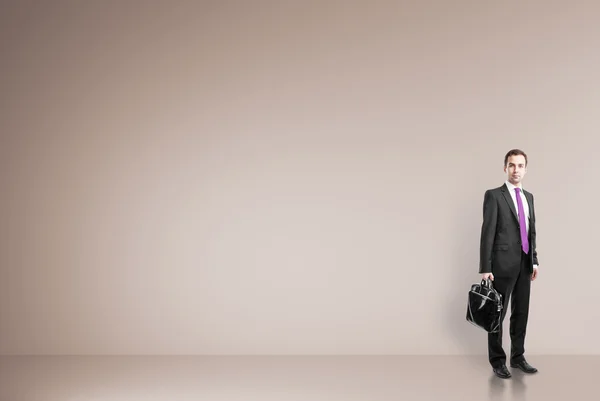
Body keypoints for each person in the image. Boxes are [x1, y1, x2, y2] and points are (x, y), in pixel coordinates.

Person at [479, 149, 539, 379]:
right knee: (497, 314)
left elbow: (531, 232)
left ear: (526, 168)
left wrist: (534, 260)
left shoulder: (529, 197)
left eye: (520, 165)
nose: (516, 170)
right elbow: (487, 233)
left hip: (525, 264)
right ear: (505, 168)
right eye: (512, 165)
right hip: (501, 265)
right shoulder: (494, 195)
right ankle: (497, 361)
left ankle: (518, 357)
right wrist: (486, 267)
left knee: (521, 312)